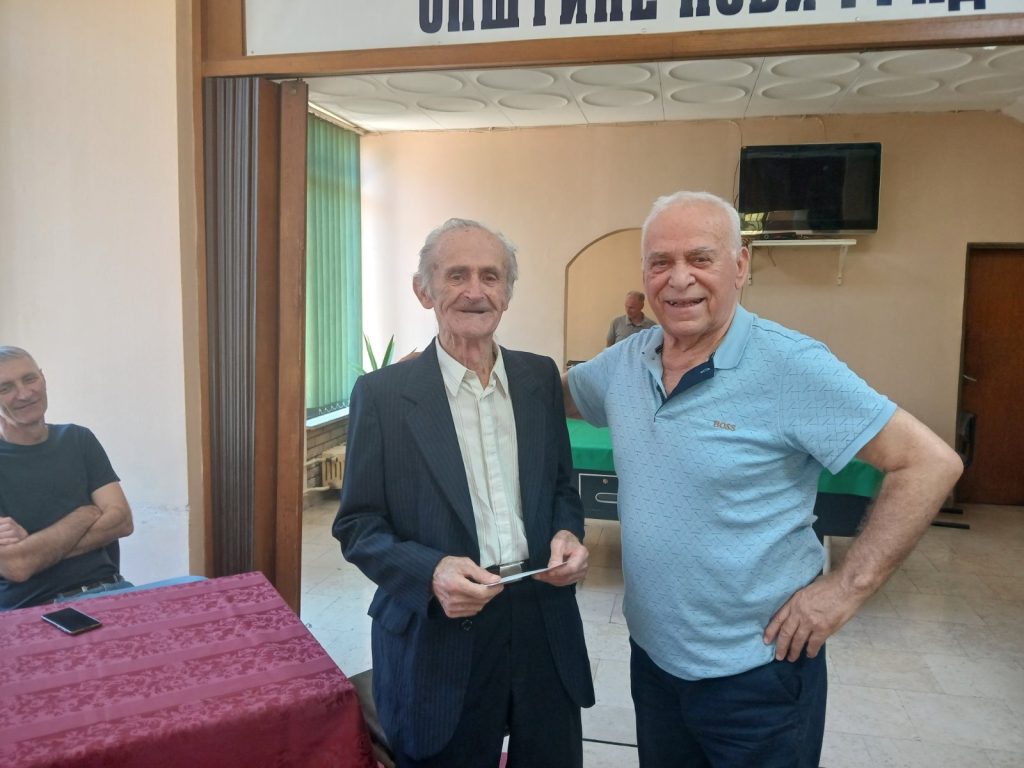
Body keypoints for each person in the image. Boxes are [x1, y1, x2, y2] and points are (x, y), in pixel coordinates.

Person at [564, 191, 963, 768]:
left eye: (701, 258)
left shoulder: (790, 364)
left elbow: (929, 462)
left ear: (740, 265)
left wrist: (845, 590)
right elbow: (550, 396)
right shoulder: (626, 362)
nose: (679, 279)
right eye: (660, 262)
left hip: (759, 676)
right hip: (653, 661)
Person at [333, 218, 594, 768]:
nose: (475, 291)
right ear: (424, 289)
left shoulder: (538, 379)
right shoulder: (382, 396)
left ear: (507, 293)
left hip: (541, 623)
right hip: (439, 633)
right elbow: (358, 526)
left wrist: (568, 533)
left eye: (490, 276)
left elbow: (560, 488)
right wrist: (430, 572)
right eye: (456, 275)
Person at [0, 346, 134, 610]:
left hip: (111, 590)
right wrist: (85, 514)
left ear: (43, 378)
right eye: (5, 388)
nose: (24, 393)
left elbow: (122, 521)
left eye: (29, 379)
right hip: (31, 609)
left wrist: (37, 550)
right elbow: (17, 566)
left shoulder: (78, 439)